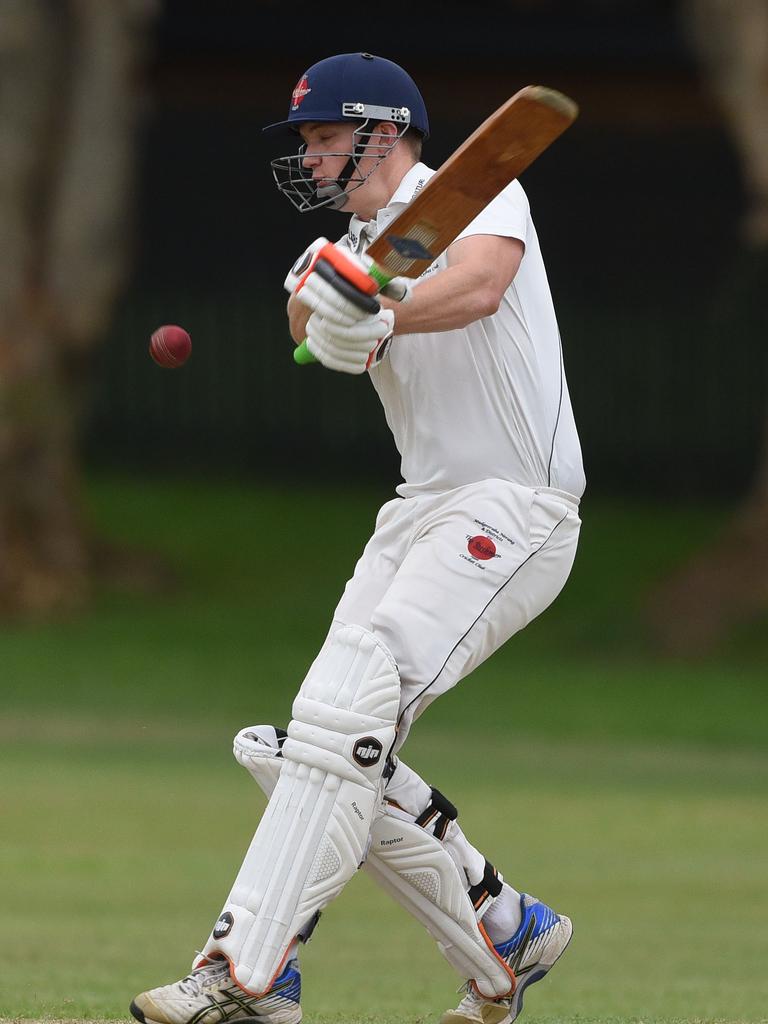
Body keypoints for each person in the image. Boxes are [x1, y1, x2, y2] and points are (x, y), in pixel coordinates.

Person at [130, 52, 585, 1024]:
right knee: (307, 741)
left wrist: (389, 307)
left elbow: (477, 288)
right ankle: (502, 926)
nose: (309, 150)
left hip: (515, 504)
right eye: (304, 138)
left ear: (383, 128)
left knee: (341, 723)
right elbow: (312, 311)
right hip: (421, 508)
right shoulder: (332, 251)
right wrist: (340, 316)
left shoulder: (472, 193)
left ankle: (246, 975)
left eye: (323, 132)